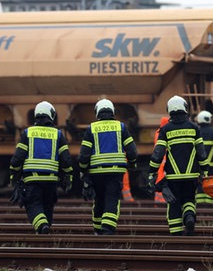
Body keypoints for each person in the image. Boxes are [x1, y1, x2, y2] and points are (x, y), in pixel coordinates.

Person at [9, 101, 74, 235]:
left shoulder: (28, 133)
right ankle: (45, 232)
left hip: (32, 179)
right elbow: (66, 160)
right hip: (51, 181)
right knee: (48, 206)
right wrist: (68, 176)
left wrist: (14, 178)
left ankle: (42, 226)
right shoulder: (58, 134)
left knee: (33, 205)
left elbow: (17, 159)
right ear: (51, 115)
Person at [147, 95, 208, 236]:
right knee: (189, 200)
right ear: (185, 108)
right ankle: (189, 217)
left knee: (174, 204)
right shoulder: (194, 128)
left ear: (169, 110)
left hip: (173, 177)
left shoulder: (165, 130)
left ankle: (176, 237)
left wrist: (152, 173)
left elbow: (157, 155)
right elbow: (202, 154)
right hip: (192, 175)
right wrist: (204, 170)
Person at [78, 98, 138, 235]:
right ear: (113, 112)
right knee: (112, 198)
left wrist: (83, 170)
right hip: (115, 172)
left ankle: (98, 229)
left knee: (99, 199)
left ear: (97, 112)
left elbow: (84, 155)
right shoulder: (121, 127)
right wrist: (133, 163)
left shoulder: (91, 129)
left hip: (96, 173)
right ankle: (107, 227)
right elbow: (132, 150)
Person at [195, 110, 213, 205]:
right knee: (210, 184)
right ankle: (210, 205)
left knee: (200, 184)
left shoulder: (196, 131)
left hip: (198, 165)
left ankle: (200, 205)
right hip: (212, 165)